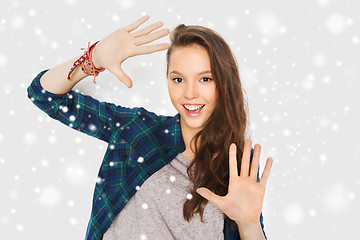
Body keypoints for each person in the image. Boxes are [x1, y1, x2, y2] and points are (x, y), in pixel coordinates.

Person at [27, 15, 273, 240]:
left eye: (205, 79)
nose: (190, 93)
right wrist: (94, 58)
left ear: (224, 82)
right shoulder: (137, 130)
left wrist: (250, 224)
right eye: (178, 79)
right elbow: (44, 96)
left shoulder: (237, 163)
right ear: (167, 79)